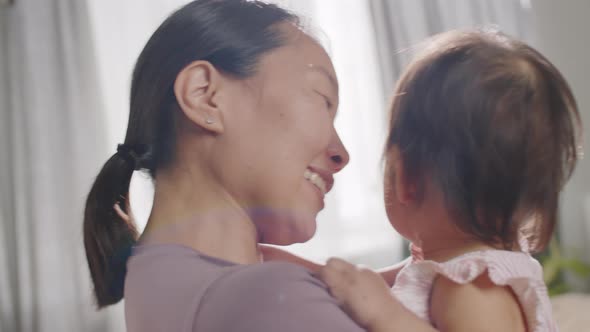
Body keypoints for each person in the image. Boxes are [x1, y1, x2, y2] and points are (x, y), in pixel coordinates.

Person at [83, 1, 434, 331]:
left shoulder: (155, 284)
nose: (341, 154)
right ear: (205, 95)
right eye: (322, 100)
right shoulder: (273, 298)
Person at [312, 29, 581, 332]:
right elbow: (363, 279)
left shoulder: (471, 288)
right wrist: (286, 264)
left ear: (405, 176)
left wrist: (383, 316)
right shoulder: (452, 266)